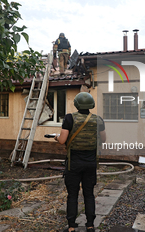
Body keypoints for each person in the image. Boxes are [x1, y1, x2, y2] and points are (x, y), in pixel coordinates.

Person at [54, 92, 106, 232]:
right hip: (90, 164)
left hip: (74, 164)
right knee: (89, 194)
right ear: (91, 105)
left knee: (73, 195)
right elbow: (104, 140)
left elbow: (62, 141)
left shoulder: (70, 118)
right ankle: (90, 225)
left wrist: (56, 138)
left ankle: (71, 227)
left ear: (76, 104)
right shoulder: (98, 120)